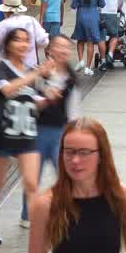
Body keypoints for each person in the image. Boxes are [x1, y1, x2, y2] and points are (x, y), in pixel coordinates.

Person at [26, 118, 126, 253]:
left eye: (84, 152)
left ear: (101, 155)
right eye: (69, 152)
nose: (75, 160)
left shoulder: (122, 197)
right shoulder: (46, 203)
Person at [0, 27, 57, 247]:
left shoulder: (32, 69)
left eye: (26, 41)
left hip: (26, 133)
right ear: (8, 44)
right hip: (1, 133)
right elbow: (7, 90)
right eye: (18, 41)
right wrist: (35, 75)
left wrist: (48, 97)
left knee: (32, 184)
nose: (23, 45)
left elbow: (32, 100)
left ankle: (40, 236)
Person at [19, 36, 78, 228]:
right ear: (49, 50)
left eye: (66, 48)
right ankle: (27, 215)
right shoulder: (39, 73)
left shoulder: (71, 76)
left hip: (61, 131)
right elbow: (26, 100)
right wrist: (45, 95)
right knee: (32, 175)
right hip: (37, 131)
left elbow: (73, 107)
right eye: (58, 47)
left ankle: (65, 211)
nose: (62, 51)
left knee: (65, 173)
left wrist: (76, 132)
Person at [71, 0, 106, 76]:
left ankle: (81, 60)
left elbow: (73, 5)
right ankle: (87, 67)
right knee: (90, 41)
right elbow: (102, 4)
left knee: (80, 39)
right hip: (93, 15)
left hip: (81, 15)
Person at [94, 0, 126, 71]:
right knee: (114, 35)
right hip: (111, 11)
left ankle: (103, 62)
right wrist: (118, 7)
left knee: (101, 37)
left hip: (98, 12)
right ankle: (111, 55)